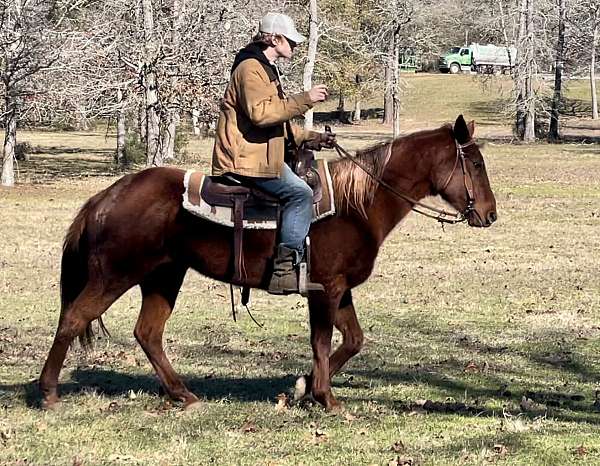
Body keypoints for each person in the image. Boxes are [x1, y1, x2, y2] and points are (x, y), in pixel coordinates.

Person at [212, 12, 335, 295]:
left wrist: (313, 138)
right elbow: (262, 115)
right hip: (246, 160)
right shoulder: (250, 68)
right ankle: (284, 271)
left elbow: (278, 121)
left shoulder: (265, 68)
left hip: (259, 156)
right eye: (290, 40)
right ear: (274, 39)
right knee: (300, 193)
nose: (294, 45)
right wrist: (305, 99)